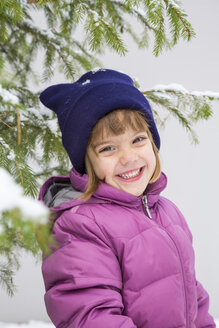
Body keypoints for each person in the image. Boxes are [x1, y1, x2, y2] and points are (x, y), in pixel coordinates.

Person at [39, 68, 216, 328]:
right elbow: (90, 315)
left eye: (138, 140)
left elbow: (192, 293)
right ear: (87, 162)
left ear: (153, 145)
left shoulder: (167, 212)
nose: (128, 157)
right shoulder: (80, 225)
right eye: (108, 148)